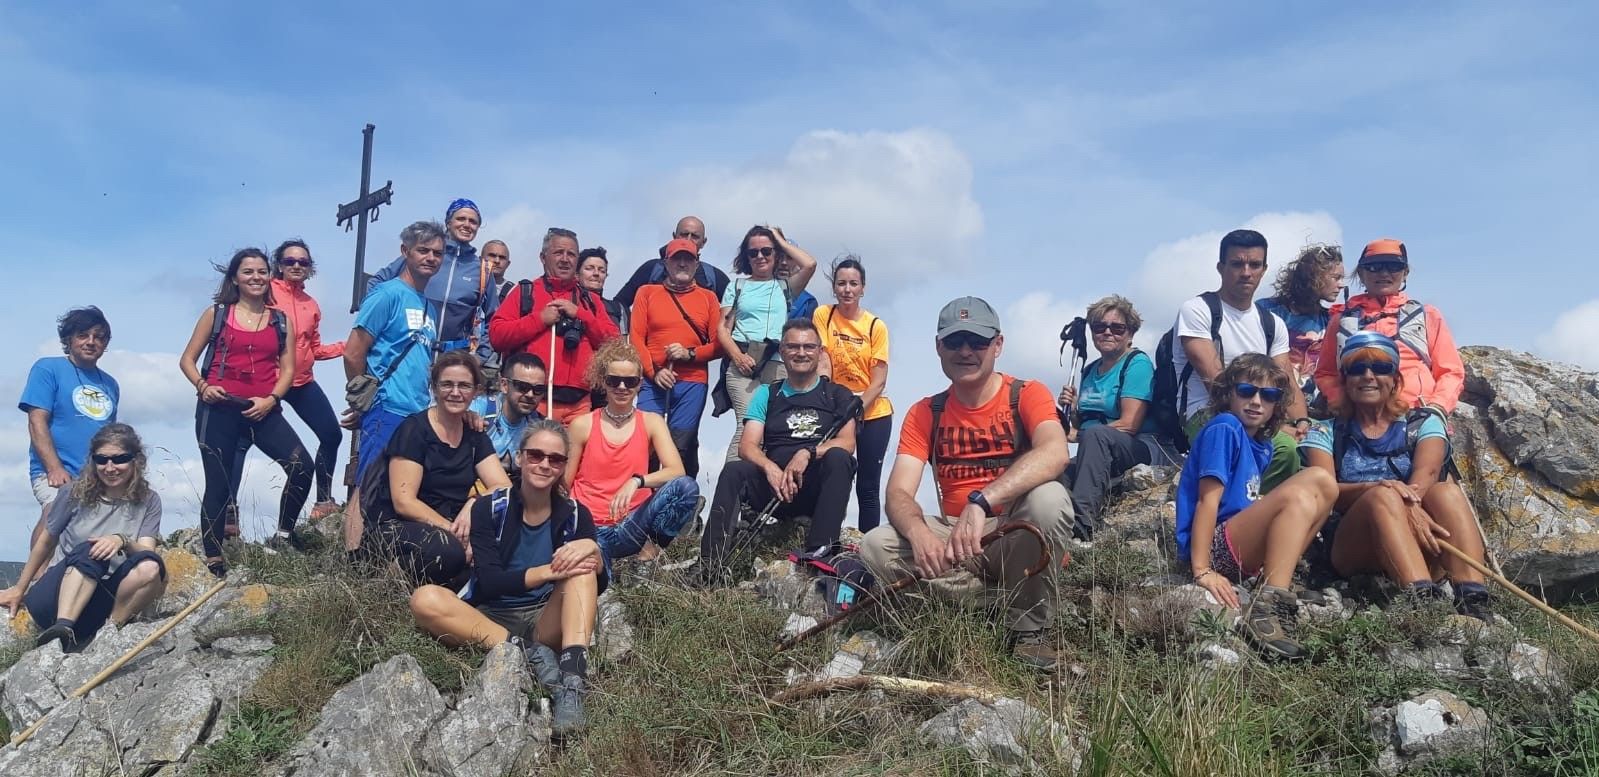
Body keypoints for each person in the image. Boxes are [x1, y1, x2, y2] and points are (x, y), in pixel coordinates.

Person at [858, 297, 1072, 670]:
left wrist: (982, 501)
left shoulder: (1027, 393)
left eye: (978, 342)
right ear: (939, 347)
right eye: (955, 342)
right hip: (955, 542)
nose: (966, 351)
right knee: (876, 546)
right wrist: (919, 532)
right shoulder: (926, 411)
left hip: (1011, 530)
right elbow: (898, 492)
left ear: (998, 346)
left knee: (1049, 500)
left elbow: (1055, 452)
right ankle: (1000, 604)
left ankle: (1029, 630)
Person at [408, 419, 603, 738]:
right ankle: (527, 652)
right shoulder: (489, 508)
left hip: (545, 618)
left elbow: (599, 582)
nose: (544, 464)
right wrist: (550, 571)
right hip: (491, 617)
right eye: (536, 455)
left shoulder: (576, 514)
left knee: (583, 569)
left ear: (564, 465)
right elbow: (489, 582)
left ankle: (571, 686)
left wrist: (592, 549)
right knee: (423, 599)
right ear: (520, 457)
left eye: (555, 459)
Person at [1301, 332, 1492, 621]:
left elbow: (1426, 473)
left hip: (1421, 536)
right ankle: (1420, 598)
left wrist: (1408, 506)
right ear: (1345, 380)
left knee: (1445, 492)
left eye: (1380, 368)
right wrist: (1377, 487)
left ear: (1395, 379)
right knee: (1382, 495)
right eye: (1356, 369)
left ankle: (1472, 595)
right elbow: (1325, 491)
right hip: (1354, 545)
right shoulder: (1325, 432)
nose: (1368, 376)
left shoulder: (1423, 424)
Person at [1175, 353, 1338, 660]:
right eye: (1246, 391)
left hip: (1237, 543)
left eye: (1269, 395)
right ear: (1228, 393)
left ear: (1277, 404)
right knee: (1298, 496)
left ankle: (1275, 579)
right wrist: (1202, 570)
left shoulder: (1262, 446)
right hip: (1212, 547)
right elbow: (1207, 500)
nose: (1256, 401)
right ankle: (1266, 606)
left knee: (1324, 483)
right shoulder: (1224, 428)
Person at [177, 248, 311, 577]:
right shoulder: (217, 314)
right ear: (235, 278)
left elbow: (288, 370)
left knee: (302, 466)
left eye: (262, 271)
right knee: (219, 483)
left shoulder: (281, 321)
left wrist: (271, 400)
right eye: (248, 272)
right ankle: (214, 559)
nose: (256, 277)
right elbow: (187, 360)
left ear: (270, 276)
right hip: (218, 407)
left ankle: (283, 534)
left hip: (262, 408)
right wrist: (202, 386)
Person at [700, 319, 857, 582]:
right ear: (782, 352)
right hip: (773, 488)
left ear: (820, 352)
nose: (801, 353)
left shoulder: (838, 395)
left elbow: (847, 443)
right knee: (734, 470)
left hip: (814, 488)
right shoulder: (767, 393)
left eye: (809, 347)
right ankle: (709, 565)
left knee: (840, 459)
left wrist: (808, 452)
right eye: (793, 347)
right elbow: (747, 445)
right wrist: (769, 467)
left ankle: (820, 551)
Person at [0, 424, 166, 652]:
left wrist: (122, 540)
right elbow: (46, 542)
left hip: (101, 599)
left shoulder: (149, 500)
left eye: (119, 459)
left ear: (135, 460)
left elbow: (147, 552)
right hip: (55, 597)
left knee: (150, 567)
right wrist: (19, 588)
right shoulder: (74, 492)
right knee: (91, 550)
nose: (110, 467)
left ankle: (108, 633)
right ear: (93, 461)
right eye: (101, 459)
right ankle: (61, 631)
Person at [1171, 229, 1308, 493]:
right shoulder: (1198, 310)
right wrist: (1276, 427)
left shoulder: (1272, 324)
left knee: (1306, 448)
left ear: (1264, 269)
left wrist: (1302, 424)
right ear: (1221, 267)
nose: (1246, 272)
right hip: (1208, 413)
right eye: (1237, 264)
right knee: (1282, 449)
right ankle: (1241, 513)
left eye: (1255, 264)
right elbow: (1218, 384)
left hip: (1258, 414)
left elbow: (1286, 383)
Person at [360, 352, 512, 588]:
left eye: (463, 385)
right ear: (434, 388)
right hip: (396, 526)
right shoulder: (414, 430)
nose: (455, 392)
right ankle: (384, 586)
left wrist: (474, 504)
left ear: (475, 391)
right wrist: (454, 532)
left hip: (448, 527)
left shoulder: (474, 436)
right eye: (447, 384)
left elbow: (504, 486)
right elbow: (404, 502)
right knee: (450, 552)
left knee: (491, 554)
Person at [341, 221, 444, 554]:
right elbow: (354, 350)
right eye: (423, 250)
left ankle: (381, 556)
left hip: (416, 411)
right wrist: (365, 401)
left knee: (399, 487)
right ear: (405, 252)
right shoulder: (387, 294)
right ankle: (353, 559)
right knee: (368, 482)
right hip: (387, 406)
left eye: (437, 253)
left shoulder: (428, 305)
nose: (431, 258)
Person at [566, 340, 700, 568]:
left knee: (687, 488)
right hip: (589, 528)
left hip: (633, 524)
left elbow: (677, 472)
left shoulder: (651, 422)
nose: (621, 387)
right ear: (603, 382)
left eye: (630, 381)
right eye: (613, 380)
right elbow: (564, 484)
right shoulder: (582, 425)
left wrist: (636, 481)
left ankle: (645, 559)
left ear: (639, 384)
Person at [1313, 238, 1465, 417]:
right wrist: (1339, 400)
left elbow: (1451, 371)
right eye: (1374, 267)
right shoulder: (1341, 320)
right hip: (1356, 417)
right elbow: (1326, 372)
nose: (1384, 273)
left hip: (1418, 415)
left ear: (1405, 272)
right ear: (1361, 273)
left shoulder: (1427, 315)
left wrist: (1437, 407)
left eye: (1393, 266)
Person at [488, 227, 619, 424]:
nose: (565, 259)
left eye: (571, 254)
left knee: (572, 456)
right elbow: (497, 336)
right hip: (530, 400)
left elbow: (614, 343)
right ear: (543, 257)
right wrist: (540, 319)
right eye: (558, 252)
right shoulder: (525, 292)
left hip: (578, 405)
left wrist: (581, 315)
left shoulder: (589, 301)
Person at [1056, 295, 1161, 541]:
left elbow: (1129, 424)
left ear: (1130, 333)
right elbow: (1083, 424)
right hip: (1096, 447)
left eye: (1117, 327)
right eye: (1099, 327)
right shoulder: (1090, 370)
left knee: (1096, 436)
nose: (1107, 332)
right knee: (1053, 471)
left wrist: (1079, 435)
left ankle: (1083, 527)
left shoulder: (1137, 364)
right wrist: (1071, 412)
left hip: (1137, 448)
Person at [255, 240, 346, 520]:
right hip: (270, 380)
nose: (296, 266)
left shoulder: (311, 305)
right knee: (242, 440)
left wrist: (347, 346)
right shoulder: (266, 292)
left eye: (303, 262)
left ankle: (323, 501)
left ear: (310, 269)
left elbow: (314, 348)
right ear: (279, 265)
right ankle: (231, 512)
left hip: (302, 381)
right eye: (289, 261)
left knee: (332, 434)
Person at [714, 225, 818, 462]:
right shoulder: (737, 286)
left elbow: (809, 264)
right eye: (753, 253)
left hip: (777, 364)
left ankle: (758, 493)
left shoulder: (785, 288)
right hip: (743, 364)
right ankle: (730, 491)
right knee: (748, 425)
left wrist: (780, 240)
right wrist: (737, 357)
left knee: (774, 429)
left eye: (766, 251)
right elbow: (722, 329)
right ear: (746, 257)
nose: (760, 256)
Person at [19, 306, 121, 545]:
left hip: (97, 476)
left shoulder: (110, 384)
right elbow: (36, 420)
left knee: (91, 535)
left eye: (99, 337)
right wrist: (54, 468)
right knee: (54, 510)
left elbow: (111, 438)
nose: (91, 342)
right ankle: (34, 579)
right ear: (69, 339)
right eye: (83, 335)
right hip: (55, 471)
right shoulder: (48, 368)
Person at [628, 237, 722, 479]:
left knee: (681, 445)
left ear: (697, 263)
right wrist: (654, 372)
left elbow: (718, 346)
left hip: (692, 382)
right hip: (652, 380)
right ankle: (642, 503)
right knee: (646, 443)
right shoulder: (646, 292)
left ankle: (679, 505)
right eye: (676, 258)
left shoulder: (709, 298)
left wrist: (689, 354)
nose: (682, 264)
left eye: (688, 259)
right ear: (666, 263)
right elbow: (636, 337)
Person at [813, 255, 892, 533]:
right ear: (834, 287)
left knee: (868, 485)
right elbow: (823, 358)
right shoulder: (824, 315)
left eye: (853, 284)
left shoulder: (875, 326)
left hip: (872, 411)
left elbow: (879, 381)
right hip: (836, 406)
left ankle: (868, 545)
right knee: (833, 473)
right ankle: (827, 537)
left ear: (863, 288)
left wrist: (856, 405)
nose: (847, 289)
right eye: (842, 283)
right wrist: (826, 394)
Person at [368, 198, 497, 364]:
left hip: (453, 360)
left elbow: (495, 319)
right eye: (460, 219)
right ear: (448, 222)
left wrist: (480, 357)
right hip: (410, 351)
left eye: (473, 221)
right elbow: (376, 284)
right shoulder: (426, 254)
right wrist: (388, 326)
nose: (467, 224)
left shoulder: (483, 269)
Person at [1257, 244, 1344, 410]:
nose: (1341, 285)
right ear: (1315, 276)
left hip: (1317, 410)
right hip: (1270, 405)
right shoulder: (1268, 311)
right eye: (1336, 277)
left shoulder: (1332, 319)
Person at [614, 216, 731, 308]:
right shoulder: (651, 269)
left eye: (695, 236)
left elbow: (737, 312)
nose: (688, 240)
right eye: (684, 234)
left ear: (703, 242)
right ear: (674, 236)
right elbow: (619, 304)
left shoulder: (714, 277)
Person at [468, 352, 548, 478]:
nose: (530, 395)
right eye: (522, 386)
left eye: (538, 389)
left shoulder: (538, 426)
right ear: (504, 385)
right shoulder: (478, 410)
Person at [481, 239, 516, 383]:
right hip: (463, 359)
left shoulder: (515, 292)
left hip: (495, 367)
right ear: (481, 259)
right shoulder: (468, 286)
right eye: (492, 255)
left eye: (502, 258)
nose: (496, 261)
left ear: (508, 264)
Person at [578, 247, 627, 336]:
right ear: (576, 273)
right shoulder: (569, 302)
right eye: (589, 268)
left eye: (602, 271)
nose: (596, 274)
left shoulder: (618, 309)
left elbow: (622, 344)